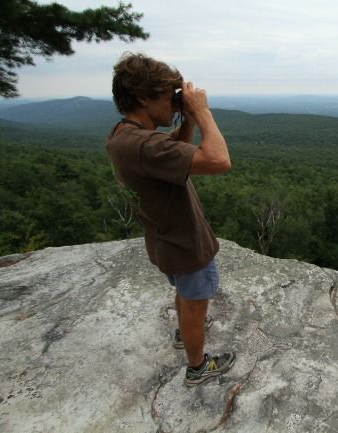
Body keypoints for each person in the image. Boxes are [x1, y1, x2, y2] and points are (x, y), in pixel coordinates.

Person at [106, 52, 235, 387]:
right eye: (167, 98)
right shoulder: (145, 145)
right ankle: (197, 367)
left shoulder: (125, 136)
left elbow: (170, 154)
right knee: (195, 305)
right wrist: (203, 112)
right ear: (143, 98)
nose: (173, 105)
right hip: (185, 243)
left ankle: (184, 333)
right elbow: (219, 161)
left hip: (165, 240)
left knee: (185, 295)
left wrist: (186, 118)